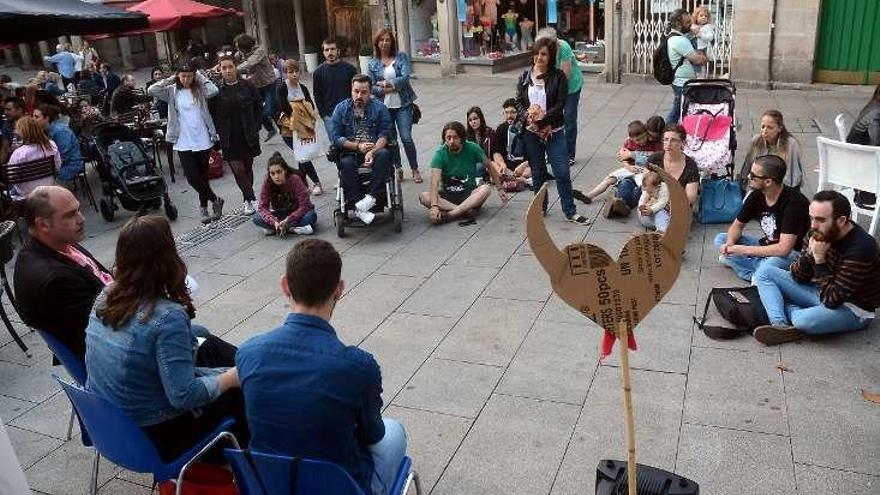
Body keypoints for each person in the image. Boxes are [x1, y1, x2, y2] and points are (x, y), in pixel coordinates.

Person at [236, 238, 408, 495]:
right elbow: (373, 434)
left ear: (285, 285)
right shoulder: (359, 366)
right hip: (339, 486)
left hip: (271, 485)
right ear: (339, 289)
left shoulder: (248, 353)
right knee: (394, 431)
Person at [85, 215, 247, 461]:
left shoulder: (106, 296)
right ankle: (251, 461)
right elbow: (183, 396)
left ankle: (252, 363)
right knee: (243, 390)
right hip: (158, 433)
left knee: (207, 342)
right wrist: (230, 377)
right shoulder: (167, 317)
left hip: (115, 425)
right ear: (166, 257)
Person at [751, 190, 880, 345]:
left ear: (841, 220)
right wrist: (809, 256)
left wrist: (819, 260)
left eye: (820, 220)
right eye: (811, 218)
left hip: (852, 307)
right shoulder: (817, 230)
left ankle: (783, 306)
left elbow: (832, 300)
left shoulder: (861, 247)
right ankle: (779, 324)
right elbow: (798, 276)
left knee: (802, 320)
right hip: (820, 289)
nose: (813, 225)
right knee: (764, 272)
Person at [14, 186, 112, 360]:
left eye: (79, 210)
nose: (81, 219)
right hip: (110, 356)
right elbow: (105, 326)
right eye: (70, 215)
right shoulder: (55, 280)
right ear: (43, 224)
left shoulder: (57, 243)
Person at [515, 38, 589, 224]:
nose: (539, 57)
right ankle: (540, 207)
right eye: (536, 53)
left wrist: (542, 120)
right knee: (538, 172)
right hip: (531, 132)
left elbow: (560, 104)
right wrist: (527, 117)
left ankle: (570, 210)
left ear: (550, 57)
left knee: (562, 171)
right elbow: (518, 102)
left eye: (544, 54)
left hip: (554, 130)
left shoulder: (558, 77)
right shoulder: (525, 75)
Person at [149, 64, 224, 224]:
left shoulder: (200, 89)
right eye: (183, 76)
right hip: (183, 139)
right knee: (192, 177)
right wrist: (170, 78)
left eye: (189, 76)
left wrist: (200, 75)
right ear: (178, 76)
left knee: (203, 175)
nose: (186, 79)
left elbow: (214, 90)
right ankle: (215, 199)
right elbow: (152, 90)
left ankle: (203, 208)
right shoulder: (171, 91)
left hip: (202, 137)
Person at [715, 154, 810, 281]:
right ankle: (759, 272)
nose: (749, 177)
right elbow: (737, 225)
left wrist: (743, 251)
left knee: (773, 263)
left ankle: (754, 272)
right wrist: (730, 246)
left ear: (768, 181)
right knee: (720, 238)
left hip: (793, 254)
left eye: (753, 175)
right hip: (767, 246)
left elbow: (784, 249)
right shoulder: (756, 196)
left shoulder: (794, 203)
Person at [327, 74, 392, 226]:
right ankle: (357, 204)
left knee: (384, 155)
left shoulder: (380, 108)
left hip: (374, 149)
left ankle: (370, 198)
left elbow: (385, 134)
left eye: (363, 92)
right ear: (351, 91)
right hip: (350, 151)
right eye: (356, 91)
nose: (359, 96)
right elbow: (336, 137)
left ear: (370, 92)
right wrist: (357, 146)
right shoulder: (341, 109)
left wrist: (372, 151)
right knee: (347, 164)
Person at [419, 121, 506, 224]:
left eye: (455, 137)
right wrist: (434, 206)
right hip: (447, 196)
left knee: (486, 189)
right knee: (423, 196)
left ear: (462, 138)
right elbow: (434, 182)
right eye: (448, 138)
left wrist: (499, 188)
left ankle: (451, 214)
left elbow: (490, 166)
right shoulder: (440, 153)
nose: (451, 141)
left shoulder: (473, 148)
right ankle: (464, 211)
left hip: (469, 194)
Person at [606, 124, 700, 218]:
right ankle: (620, 201)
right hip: (652, 198)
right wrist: (647, 203)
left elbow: (690, 198)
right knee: (627, 185)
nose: (669, 143)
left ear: (683, 142)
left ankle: (621, 204)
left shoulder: (691, 166)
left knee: (662, 215)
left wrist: (671, 205)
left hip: (675, 205)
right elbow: (645, 186)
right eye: (666, 139)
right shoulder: (654, 159)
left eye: (674, 140)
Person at [367, 29, 422, 184]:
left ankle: (414, 168)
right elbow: (370, 85)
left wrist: (385, 84)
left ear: (392, 42)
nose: (385, 43)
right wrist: (383, 88)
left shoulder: (401, 57)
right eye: (381, 40)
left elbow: (405, 77)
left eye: (387, 40)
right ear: (377, 43)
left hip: (403, 104)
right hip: (384, 107)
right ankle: (398, 168)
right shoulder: (372, 63)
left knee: (406, 138)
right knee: (391, 140)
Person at [212, 55, 262, 215]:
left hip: (248, 134)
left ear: (235, 67)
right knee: (238, 170)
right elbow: (212, 114)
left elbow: (258, 107)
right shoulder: (217, 91)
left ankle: (247, 200)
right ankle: (252, 197)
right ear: (219, 70)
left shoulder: (248, 86)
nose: (227, 71)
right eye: (223, 68)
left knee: (247, 168)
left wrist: (256, 126)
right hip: (229, 138)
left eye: (230, 67)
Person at [576, 119, 663, 204]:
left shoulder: (653, 143)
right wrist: (628, 166)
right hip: (630, 168)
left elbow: (656, 158)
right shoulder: (629, 143)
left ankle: (643, 203)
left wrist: (633, 156)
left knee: (645, 187)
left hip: (643, 171)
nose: (640, 142)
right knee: (609, 179)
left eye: (643, 138)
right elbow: (622, 158)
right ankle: (590, 196)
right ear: (632, 139)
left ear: (646, 133)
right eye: (637, 140)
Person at [535, 27, 584, 165]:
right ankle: (551, 152)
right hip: (552, 86)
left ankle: (569, 154)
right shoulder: (543, 50)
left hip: (571, 87)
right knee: (549, 118)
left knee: (568, 118)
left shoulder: (564, 48)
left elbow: (565, 76)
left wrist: (555, 97)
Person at [275, 59, 324, 195]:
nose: (294, 74)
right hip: (289, 130)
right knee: (302, 155)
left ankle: (302, 186)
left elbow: (310, 105)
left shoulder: (303, 88)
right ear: (285, 74)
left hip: (304, 128)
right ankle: (316, 182)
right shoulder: (282, 88)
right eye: (291, 72)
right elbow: (282, 108)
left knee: (302, 156)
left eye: (296, 71)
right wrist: (299, 110)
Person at [253, 152, 317, 236]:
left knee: (310, 216)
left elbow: (305, 205)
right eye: (272, 173)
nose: (276, 176)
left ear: (285, 171)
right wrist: (274, 221)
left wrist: (289, 219)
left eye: (279, 172)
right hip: (280, 214)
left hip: (297, 214)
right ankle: (290, 229)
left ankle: (280, 229)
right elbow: (262, 207)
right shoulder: (268, 182)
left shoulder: (295, 179)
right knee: (256, 218)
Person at [738, 109, 803, 190]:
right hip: (757, 187)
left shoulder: (791, 144)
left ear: (779, 128)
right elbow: (747, 168)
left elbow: (792, 176)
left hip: (781, 189)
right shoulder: (756, 141)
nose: (765, 131)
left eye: (770, 128)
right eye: (763, 126)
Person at [665, 9, 707, 124]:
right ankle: (669, 132)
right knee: (681, 111)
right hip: (683, 83)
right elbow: (699, 60)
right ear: (679, 24)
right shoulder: (679, 40)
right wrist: (703, 56)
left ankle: (669, 132)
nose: (690, 25)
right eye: (688, 22)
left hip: (681, 82)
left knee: (678, 109)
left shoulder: (676, 37)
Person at [233, 33, 278, 141]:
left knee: (268, 111)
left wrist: (234, 69)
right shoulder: (242, 53)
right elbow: (232, 58)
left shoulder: (259, 52)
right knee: (257, 110)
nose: (237, 49)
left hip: (269, 84)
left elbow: (249, 63)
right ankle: (271, 129)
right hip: (257, 85)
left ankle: (282, 119)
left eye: (238, 46)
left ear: (245, 46)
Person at [5, 116, 61, 196]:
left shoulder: (19, 153)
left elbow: (11, 177)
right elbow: (58, 166)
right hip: (48, 187)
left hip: (25, 192)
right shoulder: (51, 145)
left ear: (22, 132)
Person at [846, 84, 880, 209]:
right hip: (862, 159)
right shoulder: (877, 112)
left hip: (863, 155)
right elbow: (876, 145)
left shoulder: (875, 103)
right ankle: (867, 195)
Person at [33, 103, 83, 182]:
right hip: (57, 163)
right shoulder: (44, 131)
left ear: (46, 118)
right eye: (33, 116)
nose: (33, 120)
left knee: (39, 178)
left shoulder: (60, 131)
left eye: (36, 117)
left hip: (70, 165)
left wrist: (45, 168)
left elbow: (64, 155)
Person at [312, 38, 358, 124]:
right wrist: (323, 115)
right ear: (323, 53)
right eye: (327, 50)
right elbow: (317, 95)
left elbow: (356, 90)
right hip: (329, 116)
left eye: (332, 49)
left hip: (349, 114)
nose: (330, 52)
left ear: (338, 51)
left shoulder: (350, 69)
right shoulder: (318, 73)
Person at [491, 98, 530, 180]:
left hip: (524, 166)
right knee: (492, 165)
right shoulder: (501, 128)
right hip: (507, 166)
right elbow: (496, 153)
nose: (509, 116)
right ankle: (519, 179)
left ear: (519, 113)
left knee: (531, 171)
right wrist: (502, 164)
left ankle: (512, 179)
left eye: (513, 112)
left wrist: (524, 165)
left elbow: (536, 155)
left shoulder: (527, 128)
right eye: (506, 112)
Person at [690, 5, 715, 78]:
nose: (703, 17)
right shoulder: (694, 26)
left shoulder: (708, 27)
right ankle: (696, 76)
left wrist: (701, 35)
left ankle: (701, 77)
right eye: (701, 15)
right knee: (694, 62)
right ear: (696, 17)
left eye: (706, 16)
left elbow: (710, 37)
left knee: (701, 63)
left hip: (701, 48)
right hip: (693, 47)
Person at [1, 96, 25, 164]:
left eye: (8, 109)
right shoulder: (7, 124)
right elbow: (4, 148)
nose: (5, 112)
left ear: (19, 110)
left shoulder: (30, 125)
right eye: (4, 109)